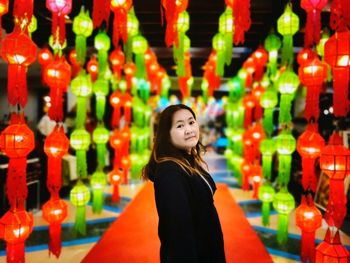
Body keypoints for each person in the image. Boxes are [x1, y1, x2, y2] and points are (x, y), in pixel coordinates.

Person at [142, 104, 226, 263]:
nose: (189, 129)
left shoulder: (184, 159)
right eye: (180, 125)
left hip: (206, 247)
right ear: (166, 134)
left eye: (191, 122)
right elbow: (178, 234)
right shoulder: (170, 172)